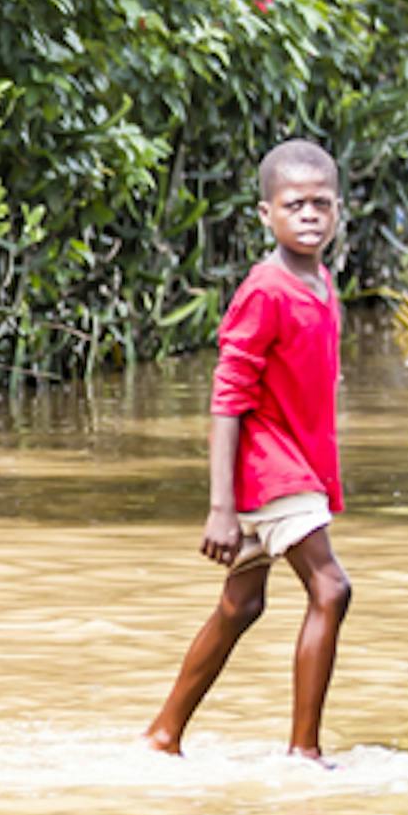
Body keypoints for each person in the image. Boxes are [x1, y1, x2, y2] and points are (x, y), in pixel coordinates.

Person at [143, 139, 352, 762]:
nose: (309, 215)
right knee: (331, 589)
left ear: (338, 209)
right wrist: (220, 508)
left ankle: (163, 734)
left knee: (242, 603)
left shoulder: (321, 283)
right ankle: (305, 755)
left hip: (295, 467)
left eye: (321, 204)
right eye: (294, 205)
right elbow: (228, 397)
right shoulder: (266, 289)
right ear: (267, 215)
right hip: (269, 469)